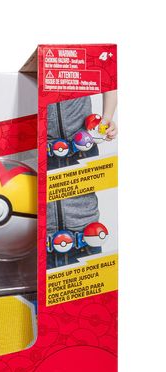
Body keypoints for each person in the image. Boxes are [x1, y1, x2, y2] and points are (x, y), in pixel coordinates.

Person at [46, 91, 117, 269]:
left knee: (82, 208)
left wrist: (107, 118)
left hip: (81, 146)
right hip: (42, 147)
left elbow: (108, 77)